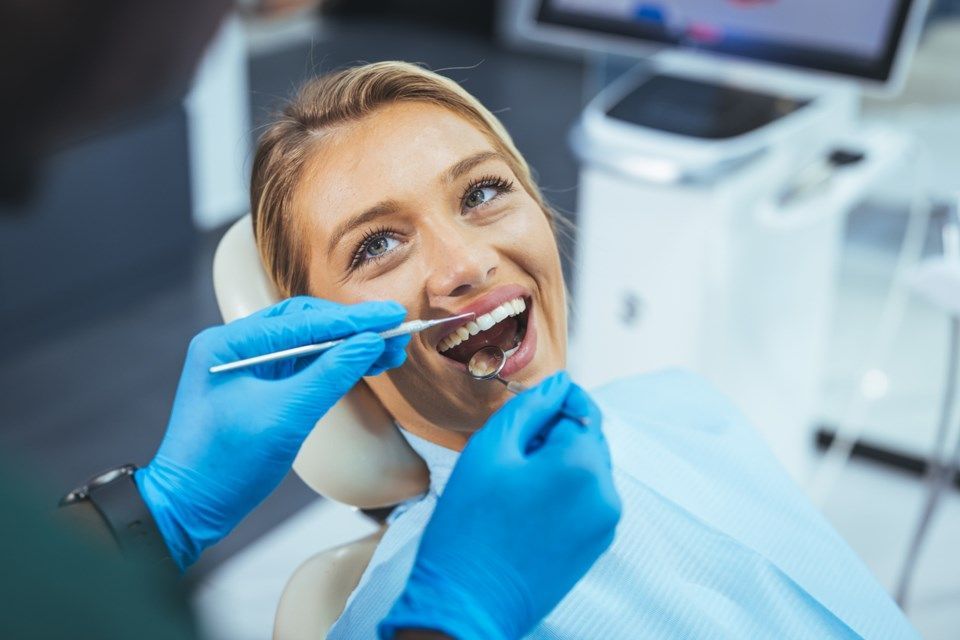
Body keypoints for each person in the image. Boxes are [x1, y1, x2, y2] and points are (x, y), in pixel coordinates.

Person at [248, 60, 922, 639]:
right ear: (323, 338)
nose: (465, 264)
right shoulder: (402, 619)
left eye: (482, 192)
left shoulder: (685, 405)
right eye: (377, 245)